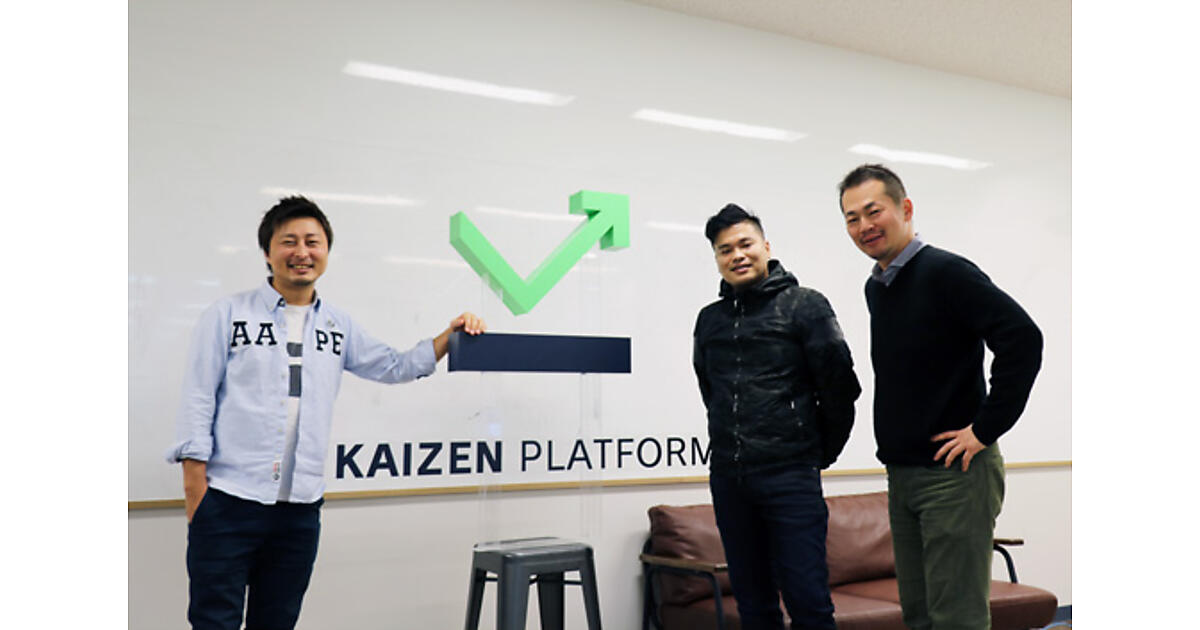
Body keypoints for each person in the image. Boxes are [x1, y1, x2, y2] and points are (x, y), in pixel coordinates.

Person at [165, 196, 486, 630]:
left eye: (312, 242)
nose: (302, 252)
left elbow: (394, 365)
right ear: (267, 252)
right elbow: (198, 397)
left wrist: (450, 335)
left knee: (277, 622)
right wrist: (196, 493)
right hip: (228, 501)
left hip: (299, 512)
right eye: (289, 241)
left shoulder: (337, 325)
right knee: (213, 622)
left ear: (326, 252)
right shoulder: (227, 315)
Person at [837, 164, 1043, 630]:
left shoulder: (947, 272)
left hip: (955, 474)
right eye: (852, 218)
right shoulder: (878, 286)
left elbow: (1022, 338)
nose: (864, 225)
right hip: (902, 474)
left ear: (905, 208)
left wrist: (985, 428)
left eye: (873, 211)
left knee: (957, 619)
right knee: (920, 616)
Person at [692, 203, 861, 630]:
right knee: (753, 606)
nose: (737, 255)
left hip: (790, 476)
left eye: (745, 244)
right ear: (717, 258)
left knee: (809, 604)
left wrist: (816, 453)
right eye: (725, 249)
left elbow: (840, 387)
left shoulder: (805, 306)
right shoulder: (710, 320)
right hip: (729, 478)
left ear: (766, 246)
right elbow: (710, 390)